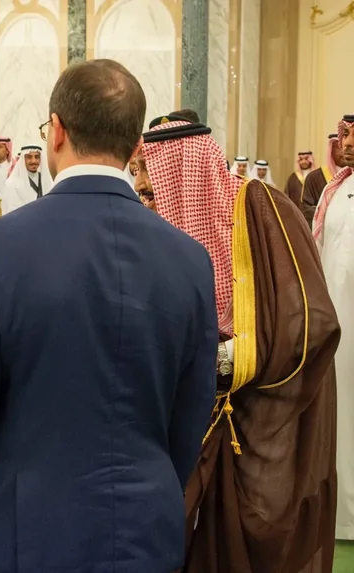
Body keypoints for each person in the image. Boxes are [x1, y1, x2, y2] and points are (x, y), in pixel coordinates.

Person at [0, 59, 218, 571]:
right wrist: (152, 487)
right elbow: (192, 405)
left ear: (57, 130)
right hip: (146, 524)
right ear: (136, 147)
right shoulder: (190, 258)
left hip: (28, 525)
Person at [136, 116, 339, 572]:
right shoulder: (162, 234)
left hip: (261, 417)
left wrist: (222, 361)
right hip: (193, 423)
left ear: (182, 168)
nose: (143, 185)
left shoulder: (264, 209)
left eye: (148, 169)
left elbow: (312, 321)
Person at [311, 113, 354, 541]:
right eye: (345, 134)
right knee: (339, 411)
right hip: (338, 325)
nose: (347, 143)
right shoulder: (334, 191)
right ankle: (342, 516)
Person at [303, 131, 346, 227]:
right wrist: (331, 212)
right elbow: (306, 209)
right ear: (331, 150)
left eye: (347, 147)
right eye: (339, 147)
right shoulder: (314, 177)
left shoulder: (351, 177)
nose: (344, 151)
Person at [3, 144, 53, 212]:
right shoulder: (12, 184)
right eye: (29, 157)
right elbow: (11, 211)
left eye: (36, 157)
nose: (33, 161)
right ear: (23, 159)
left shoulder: (47, 180)